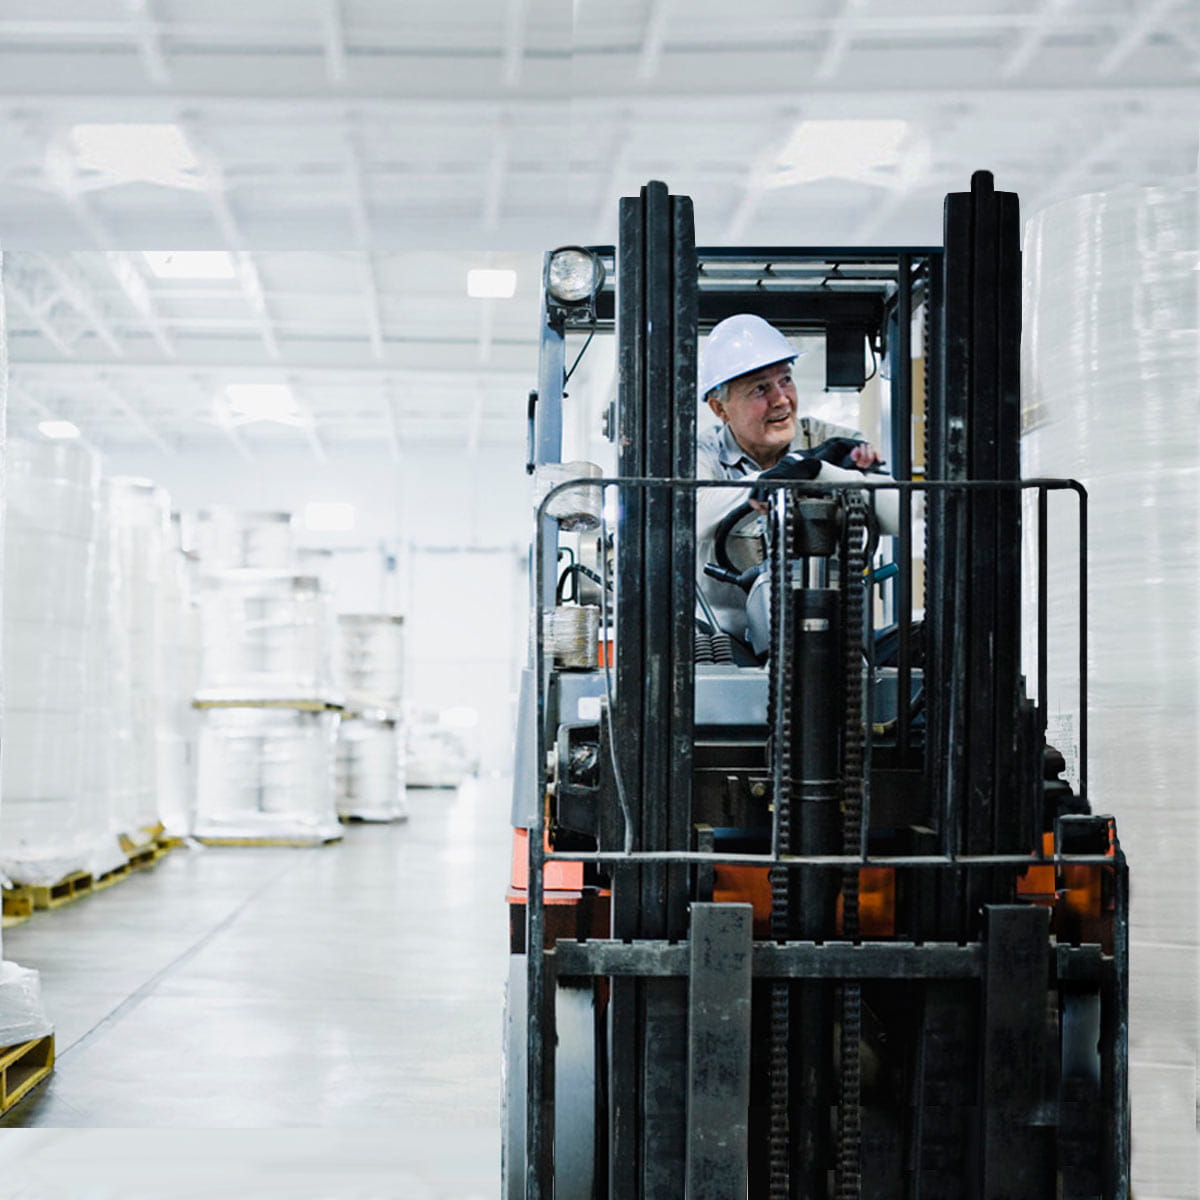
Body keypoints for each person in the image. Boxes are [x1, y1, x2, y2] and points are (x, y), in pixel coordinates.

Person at [695, 313, 894, 641]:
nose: (781, 400)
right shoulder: (700, 454)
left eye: (785, 380)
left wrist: (821, 470)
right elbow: (696, 513)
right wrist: (777, 478)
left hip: (826, 635)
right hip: (724, 643)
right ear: (720, 409)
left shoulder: (832, 441)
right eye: (760, 389)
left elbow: (900, 512)